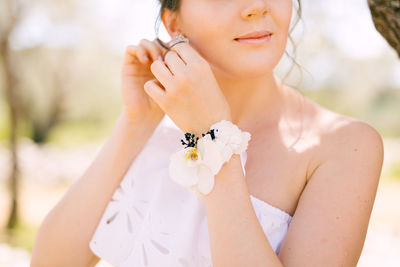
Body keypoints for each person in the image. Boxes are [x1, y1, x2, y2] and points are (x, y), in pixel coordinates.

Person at [30, 0, 384, 266]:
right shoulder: (155, 134)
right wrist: (135, 125)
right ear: (174, 23)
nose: (256, 7)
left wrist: (213, 137)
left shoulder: (345, 146)